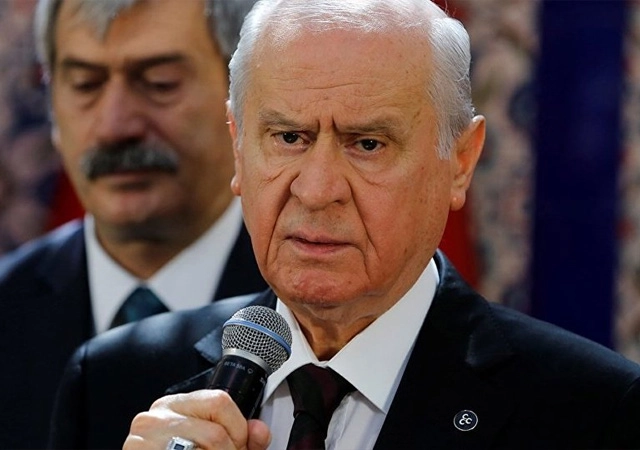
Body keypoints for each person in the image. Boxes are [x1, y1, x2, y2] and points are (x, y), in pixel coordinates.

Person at [49, 0, 640, 449]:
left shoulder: (595, 411)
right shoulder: (112, 381)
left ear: (460, 161)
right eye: (288, 137)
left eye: (367, 143)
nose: (316, 189)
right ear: (239, 149)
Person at [0, 0, 266, 449]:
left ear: (241, 98)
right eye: (85, 84)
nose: (114, 125)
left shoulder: (320, 314)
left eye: (160, 83)